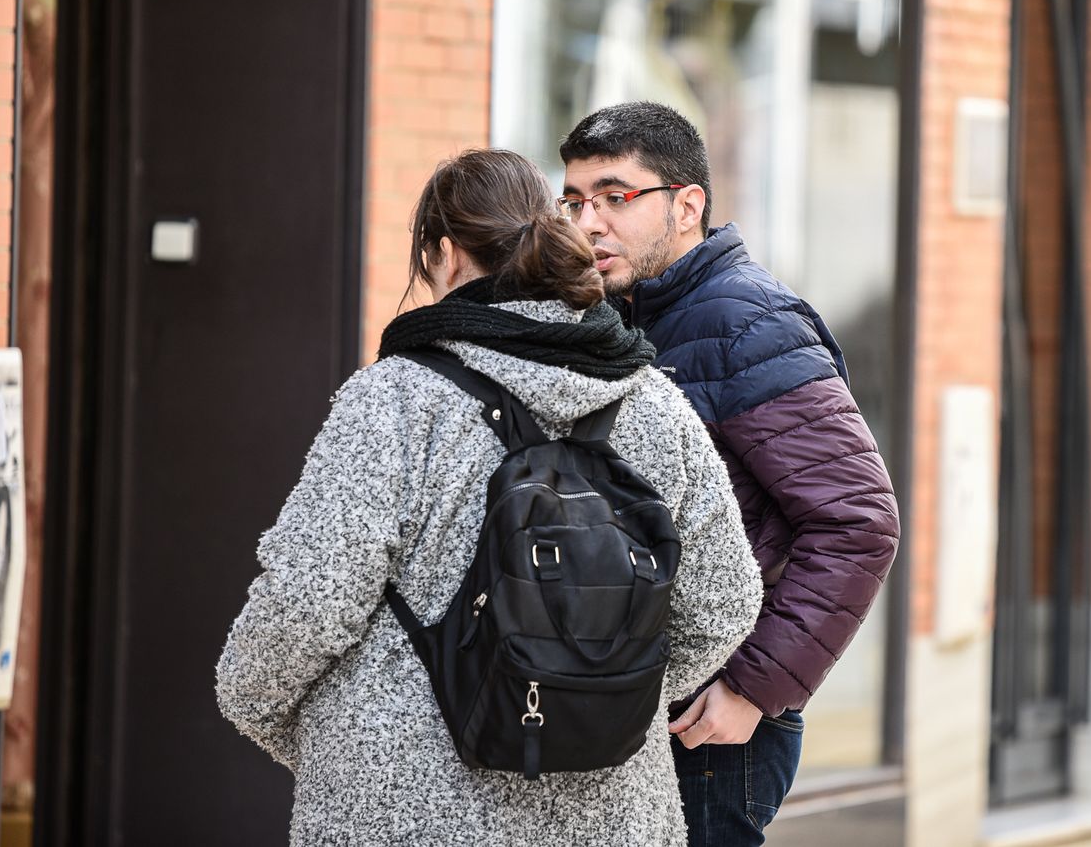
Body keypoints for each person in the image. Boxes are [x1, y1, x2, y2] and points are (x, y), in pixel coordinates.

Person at [216, 148, 762, 845]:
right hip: (611, 810)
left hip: (400, 808)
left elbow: (309, 596)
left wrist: (259, 707)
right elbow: (726, 603)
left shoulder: (397, 400)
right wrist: (592, 694)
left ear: (445, 254)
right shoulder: (656, 402)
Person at [559, 102, 900, 845]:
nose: (589, 224)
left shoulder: (747, 324)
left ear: (687, 205)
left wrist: (754, 688)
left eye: (616, 198)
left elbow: (857, 523)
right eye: (576, 201)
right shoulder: (617, 319)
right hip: (624, 703)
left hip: (710, 727)